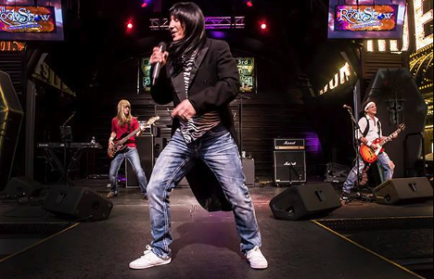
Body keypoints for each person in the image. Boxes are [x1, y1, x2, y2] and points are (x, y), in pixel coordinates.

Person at [129, 2, 268, 270]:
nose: (169, 25)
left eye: (174, 20)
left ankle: (251, 246)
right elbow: (160, 96)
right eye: (168, 21)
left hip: (215, 136)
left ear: (190, 20)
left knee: (238, 195)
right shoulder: (173, 56)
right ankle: (160, 249)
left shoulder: (217, 49)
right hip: (183, 138)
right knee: (156, 186)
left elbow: (231, 85)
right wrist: (154, 70)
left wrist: (196, 102)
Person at [341, 101, 397, 201]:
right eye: (372, 106)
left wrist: (389, 137)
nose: (374, 108)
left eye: (375, 106)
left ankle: (385, 191)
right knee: (358, 169)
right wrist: (371, 145)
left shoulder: (377, 121)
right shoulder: (363, 120)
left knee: (389, 166)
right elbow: (358, 136)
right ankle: (346, 191)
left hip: (377, 149)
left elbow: (379, 137)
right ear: (366, 110)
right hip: (366, 149)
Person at [107, 100, 147, 199]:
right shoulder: (114, 120)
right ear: (120, 108)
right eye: (125, 107)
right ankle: (113, 190)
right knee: (112, 173)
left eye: (128, 107)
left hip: (131, 148)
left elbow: (137, 134)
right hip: (118, 149)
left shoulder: (133, 120)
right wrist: (110, 140)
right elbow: (113, 132)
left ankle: (146, 193)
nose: (127, 109)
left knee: (139, 171)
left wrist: (141, 131)